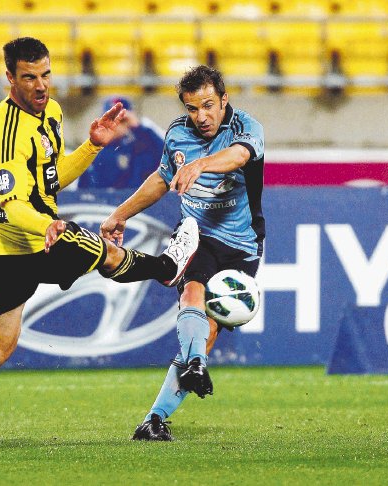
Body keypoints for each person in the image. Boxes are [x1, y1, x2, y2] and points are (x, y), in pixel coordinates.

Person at [0, 37, 199, 458]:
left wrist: (92, 146)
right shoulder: (6, 136)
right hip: (34, 239)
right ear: (9, 78)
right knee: (109, 255)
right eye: (29, 77)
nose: (41, 85)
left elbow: (49, 179)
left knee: (0, 343)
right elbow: (13, 203)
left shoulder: (52, 112)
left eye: (45, 74)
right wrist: (49, 225)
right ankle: (168, 268)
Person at [100, 65, 265, 441]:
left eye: (208, 105)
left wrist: (200, 165)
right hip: (197, 235)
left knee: (205, 336)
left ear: (224, 100)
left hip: (242, 244)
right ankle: (173, 394)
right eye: (193, 108)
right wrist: (118, 215)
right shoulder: (177, 133)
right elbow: (160, 179)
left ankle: (156, 415)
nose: (201, 116)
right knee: (193, 290)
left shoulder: (246, 128)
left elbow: (240, 157)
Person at [78, 96, 164, 189]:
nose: (115, 125)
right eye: (111, 119)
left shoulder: (138, 148)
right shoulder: (92, 150)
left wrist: (139, 128)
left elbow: (167, 157)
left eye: (121, 120)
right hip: (100, 202)